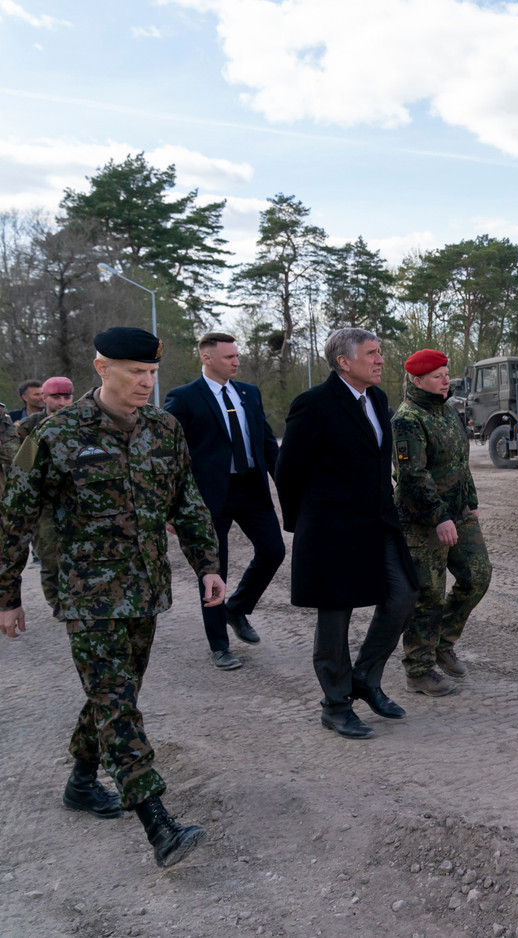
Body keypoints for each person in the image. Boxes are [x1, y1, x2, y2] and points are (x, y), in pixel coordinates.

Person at [0, 327, 225, 869]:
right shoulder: (55, 435)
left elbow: (187, 503)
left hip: (146, 591)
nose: (146, 383)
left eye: (151, 374)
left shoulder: (165, 430)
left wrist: (208, 565)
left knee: (109, 694)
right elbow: (15, 517)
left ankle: (81, 782)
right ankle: (157, 822)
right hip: (87, 595)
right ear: (102, 369)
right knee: (119, 704)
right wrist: (8, 594)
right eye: (134, 373)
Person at [275, 327, 418, 740]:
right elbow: (287, 472)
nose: (380, 360)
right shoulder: (314, 405)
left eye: (379, 352)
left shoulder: (377, 399)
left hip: (377, 521)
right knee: (335, 616)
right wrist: (306, 523)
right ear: (344, 362)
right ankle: (335, 705)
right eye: (372, 353)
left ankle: (365, 678)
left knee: (404, 595)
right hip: (331, 528)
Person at [164, 333, 285, 671]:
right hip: (208, 496)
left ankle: (237, 608)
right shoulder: (185, 398)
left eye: (237, 355)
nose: (236, 361)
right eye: (229, 356)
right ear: (207, 358)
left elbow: (265, 444)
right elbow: (170, 455)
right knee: (214, 570)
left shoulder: (249, 393)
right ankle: (219, 644)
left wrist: (285, 484)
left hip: (250, 489)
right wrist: (173, 505)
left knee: (274, 550)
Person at [392, 349, 492, 697]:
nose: (446, 380)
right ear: (417, 381)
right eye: (437, 376)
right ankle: (418, 670)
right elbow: (412, 477)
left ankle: (443, 644)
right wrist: (439, 517)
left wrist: (472, 503)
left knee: (477, 577)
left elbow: (461, 465)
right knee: (429, 595)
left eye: (446, 373)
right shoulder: (407, 419)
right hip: (424, 521)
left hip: (459, 513)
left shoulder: (448, 411)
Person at [15, 376, 76, 612]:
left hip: (77, 501)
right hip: (44, 503)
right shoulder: (31, 427)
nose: (62, 402)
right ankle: (58, 603)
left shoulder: (81, 423)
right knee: (50, 556)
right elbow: (22, 467)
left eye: (66, 397)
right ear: (44, 398)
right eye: (56, 397)